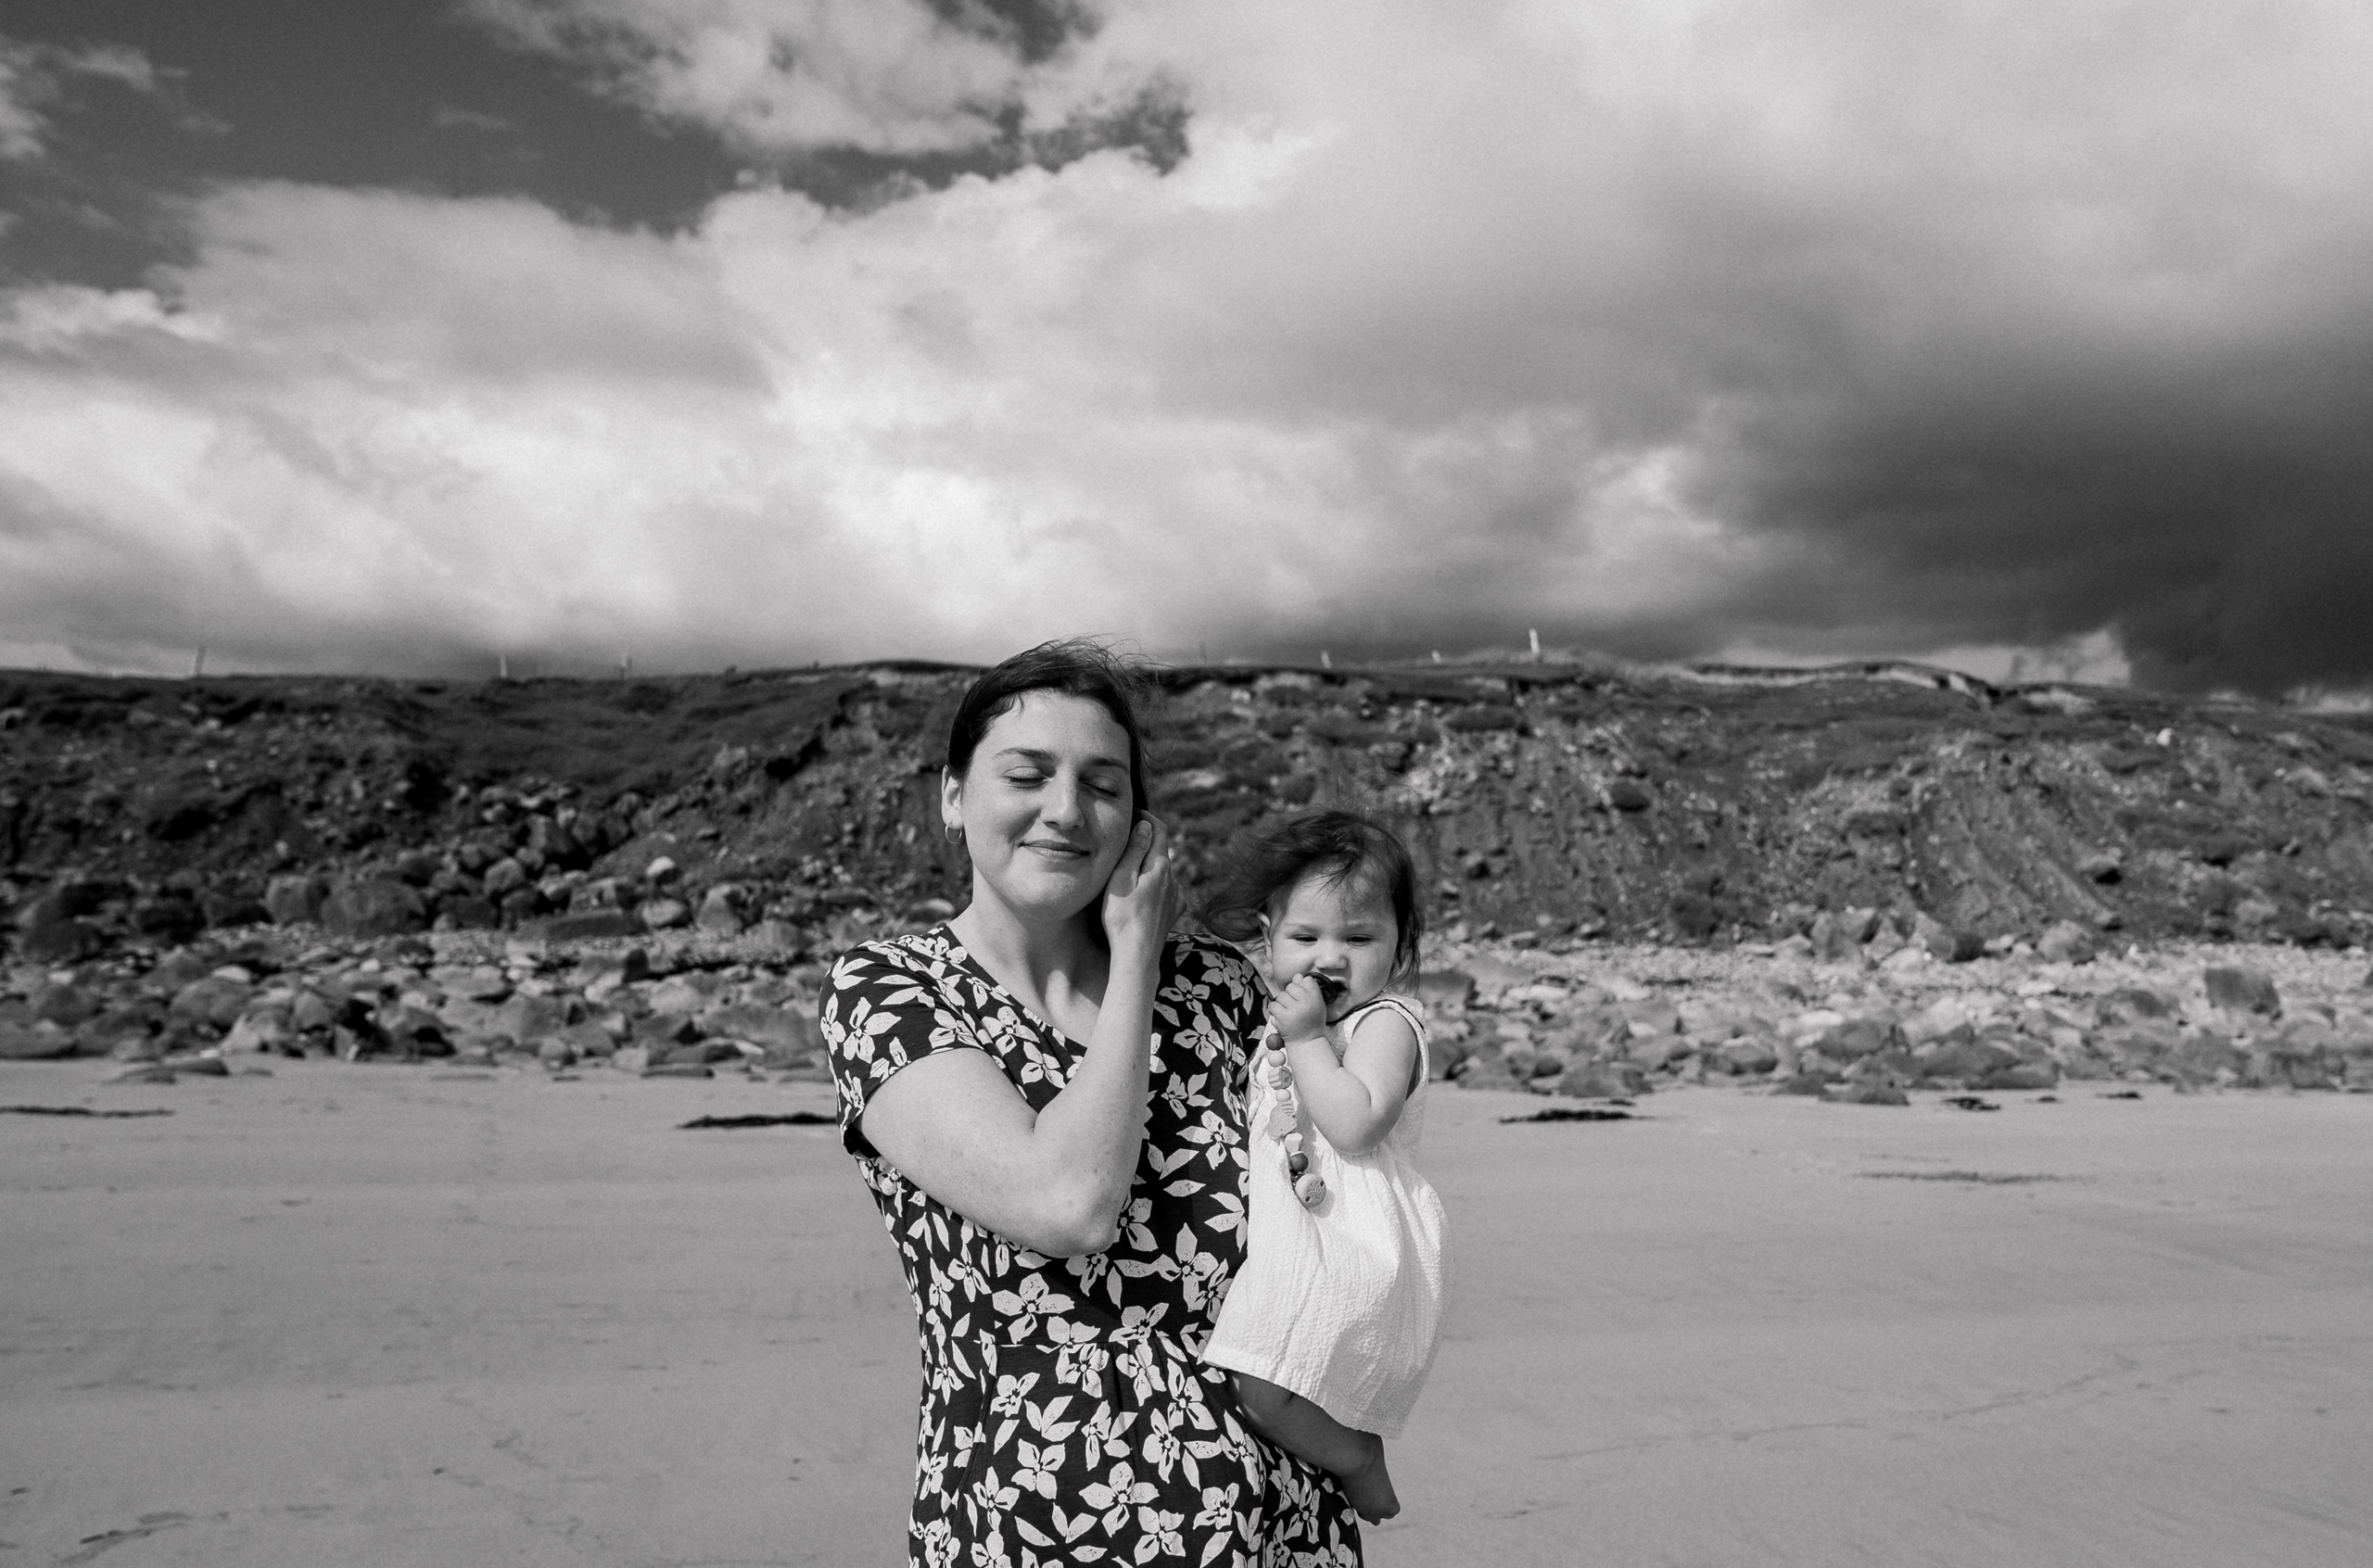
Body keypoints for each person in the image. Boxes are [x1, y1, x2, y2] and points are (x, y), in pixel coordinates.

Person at [818, 640, 1363, 1567]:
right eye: (1026, 775)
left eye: (1103, 785)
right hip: (1042, 1519)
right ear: (953, 797)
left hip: (1279, 1519)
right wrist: (1136, 959)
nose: (1067, 810)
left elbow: (1338, 1185)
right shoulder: (892, 991)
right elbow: (1069, 1204)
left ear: (1138, 821)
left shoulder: (1219, 985)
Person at [1198, 810, 1449, 1526]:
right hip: (1299, 1227)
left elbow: (1356, 1122)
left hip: (1349, 1236)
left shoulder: (1385, 1022)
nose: (1329, 958)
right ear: (1267, 940)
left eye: (1359, 939)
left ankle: (1358, 1459)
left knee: (1265, 1385)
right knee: (1270, 1377)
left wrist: (1306, 1038)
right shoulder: (1288, 1023)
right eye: (1305, 938)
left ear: (1400, 948)